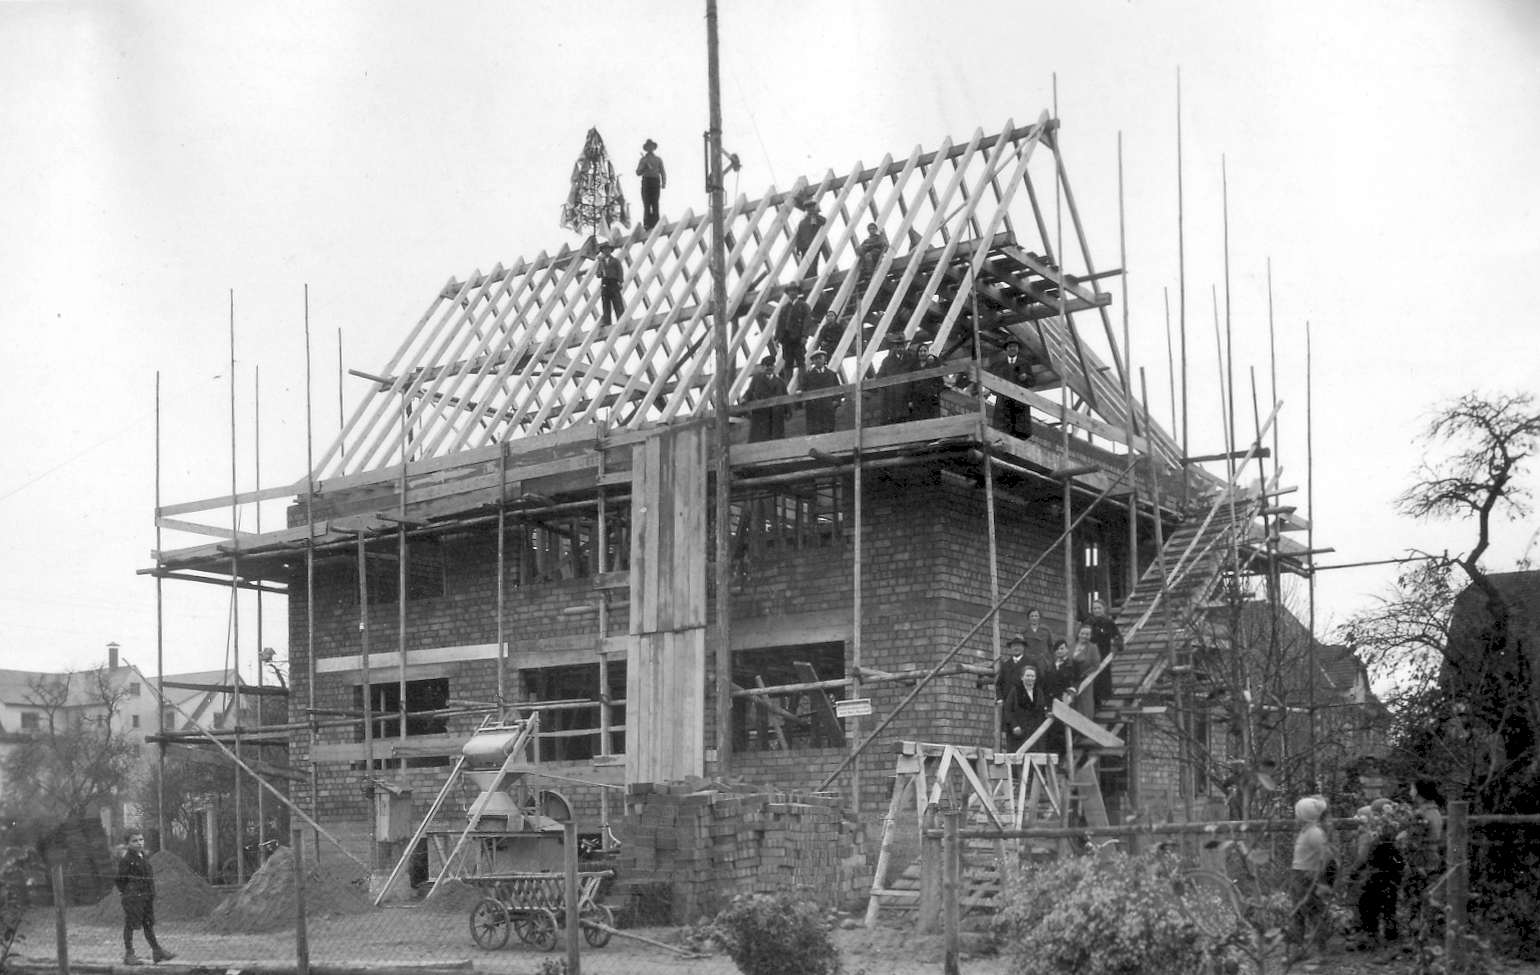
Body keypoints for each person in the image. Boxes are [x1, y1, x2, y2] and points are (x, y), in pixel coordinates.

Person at [116, 831, 174, 966]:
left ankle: (157, 951)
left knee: (148, 925)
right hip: (133, 899)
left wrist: (151, 893)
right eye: (135, 841)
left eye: (141, 839)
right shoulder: (126, 860)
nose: (139, 842)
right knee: (130, 925)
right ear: (128, 844)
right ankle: (129, 954)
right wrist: (129, 893)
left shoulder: (144, 858)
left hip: (147, 897)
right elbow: (120, 881)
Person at [1289, 795, 1336, 960]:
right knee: (1298, 913)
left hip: (1306, 877)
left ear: (1303, 815)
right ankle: (1299, 950)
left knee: (1315, 913)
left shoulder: (1314, 833)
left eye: (1297, 813)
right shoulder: (1306, 830)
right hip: (1299, 875)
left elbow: (1328, 854)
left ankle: (1321, 952)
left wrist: (1317, 873)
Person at [1356, 798, 1404, 951]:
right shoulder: (1395, 834)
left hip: (1377, 874)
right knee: (1390, 905)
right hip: (1392, 873)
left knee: (1370, 906)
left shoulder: (1376, 836)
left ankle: (1372, 938)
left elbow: (1363, 856)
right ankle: (1390, 937)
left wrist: (1355, 871)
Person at [987, 337, 1034, 437]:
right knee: (1003, 426)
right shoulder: (1000, 365)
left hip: (1019, 401)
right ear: (1006, 349)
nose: (1012, 348)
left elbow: (1033, 381)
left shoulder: (1024, 364)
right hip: (1004, 401)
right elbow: (993, 381)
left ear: (1018, 349)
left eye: (1014, 346)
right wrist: (995, 391)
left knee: (1019, 428)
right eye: (1010, 346)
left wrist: (1026, 377)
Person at [1003, 665, 1055, 753]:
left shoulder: (1039, 692)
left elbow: (1042, 709)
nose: (1030, 678)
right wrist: (1014, 726)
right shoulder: (1015, 691)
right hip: (1020, 731)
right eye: (1027, 675)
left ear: (1035, 678)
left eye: (1032, 676)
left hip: (1035, 731)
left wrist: (1047, 714)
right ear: (1022, 677)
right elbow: (1008, 710)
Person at [1082, 598, 1122, 708]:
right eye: (1094, 608)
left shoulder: (1109, 623)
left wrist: (1116, 647)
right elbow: (1080, 638)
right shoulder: (1088, 623)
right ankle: (1094, 703)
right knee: (1092, 679)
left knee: (1103, 678)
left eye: (1099, 608)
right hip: (1090, 655)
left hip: (1104, 655)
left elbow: (1118, 637)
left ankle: (1103, 701)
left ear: (1104, 609)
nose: (1097, 610)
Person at [742, 357, 789, 442]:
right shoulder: (757, 380)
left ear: (774, 367)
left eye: (771, 365)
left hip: (776, 414)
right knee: (760, 438)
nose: (769, 368)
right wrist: (744, 398)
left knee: (776, 438)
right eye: (767, 366)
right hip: (761, 414)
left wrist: (788, 411)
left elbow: (786, 396)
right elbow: (750, 391)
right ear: (763, 367)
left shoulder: (780, 382)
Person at [874, 333, 915, 424]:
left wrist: (912, 398)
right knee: (894, 423)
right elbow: (879, 377)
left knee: (908, 423)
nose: (900, 347)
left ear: (905, 345)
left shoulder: (912, 359)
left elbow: (917, 380)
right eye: (898, 345)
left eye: (902, 345)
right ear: (894, 346)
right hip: (892, 400)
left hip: (907, 399)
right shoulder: (887, 361)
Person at [774, 283, 812, 381]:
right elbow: (780, 323)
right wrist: (778, 338)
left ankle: (802, 384)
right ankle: (788, 385)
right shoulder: (784, 308)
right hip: (786, 339)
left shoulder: (803, 306)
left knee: (800, 360)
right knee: (788, 361)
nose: (792, 293)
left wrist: (804, 336)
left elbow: (807, 321)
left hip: (798, 338)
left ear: (798, 292)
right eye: (790, 291)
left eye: (794, 290)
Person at [800, 348, 842, 434]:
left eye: (820, 358)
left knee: (829, 430)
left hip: (828, 408)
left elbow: (838, 390)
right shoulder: (807, 376)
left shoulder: (831, 374)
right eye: (816, 359)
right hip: (814, 410)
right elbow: (803, 391)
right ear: (813, 361)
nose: (818, 360)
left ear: (824, 359)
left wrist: (836, 402)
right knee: (816, 431)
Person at [908, 336, 944, 420]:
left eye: (925, 351)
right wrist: (910, 400)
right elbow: (910, 384)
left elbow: (940, 381)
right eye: (920, 351)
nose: (923, 353)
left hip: (930, 398)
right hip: (917, 400)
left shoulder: (933, 364)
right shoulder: (913, 366)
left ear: (928, 352)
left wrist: (935, 391)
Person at [1070, 623, 1102, 719]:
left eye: (1087, 634)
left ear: (1090, 636)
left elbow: (1096, 664)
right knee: (1071, 702)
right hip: (1071, 680)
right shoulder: (1071, 646)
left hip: (1084, 680)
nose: (1084, 636)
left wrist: (1085, 674)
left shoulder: (1092, 648)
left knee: (1085, 704)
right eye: (1082, 633)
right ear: (1078, 634)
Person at [792, 198, 829, 274]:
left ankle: (813, 277)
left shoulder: (815, 218)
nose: (810, 209)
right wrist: (798, 247)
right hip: (805, 247)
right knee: (805, 266)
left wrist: (815, 216)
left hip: (814, 245)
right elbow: (799, 234)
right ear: (806, 209)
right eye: (809, 208)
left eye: (812, 207)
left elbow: (824, 221)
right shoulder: (803, 222)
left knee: (813, 265)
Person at [995, 634, 1032, 709]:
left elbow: (1038, 684)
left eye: (1018, 645)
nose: (1016, 648)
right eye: (1014, 646)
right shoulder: (1006, 665)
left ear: (1023, 647)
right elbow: (999, 684)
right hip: (1008, 705)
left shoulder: (1030, 663)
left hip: (1024, 705)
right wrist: (1000, 698)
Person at [636, 139, 666, 231]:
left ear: (653, 148)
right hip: (646, 182)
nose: (650, 148)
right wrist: (644, 165)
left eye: (651, 146)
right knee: (647, 203)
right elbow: (638, 172)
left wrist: (664, 182)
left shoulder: (658, 159)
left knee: (655, 203)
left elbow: (662, 171)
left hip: (655, 182)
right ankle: (647, 224)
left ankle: (656, 223)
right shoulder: (643, 159)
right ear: (646, 148)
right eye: (648, 146)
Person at [1042, 638, 1082, 706]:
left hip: (1067, 699)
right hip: (1052, 699)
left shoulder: (1074, 664)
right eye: (1057, 649)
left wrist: (1072, 691)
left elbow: (1078, 680)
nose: (1059, 651)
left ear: (1067, 649)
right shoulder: (1049, 666)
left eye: (1062, 648)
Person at [597, 241, 624, 327]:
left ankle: (621, 319)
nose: (607, 251)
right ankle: (607, 321)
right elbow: (598, 274)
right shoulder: (601, 262)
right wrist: (601, 271)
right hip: (605, 282)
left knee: (617, 301)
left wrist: (620, 281)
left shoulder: (615, 261)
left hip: (613, 282)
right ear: (603, 251)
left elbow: (620, 271)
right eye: (605, 249)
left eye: (608, 249)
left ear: (610, 250)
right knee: (606, 303)